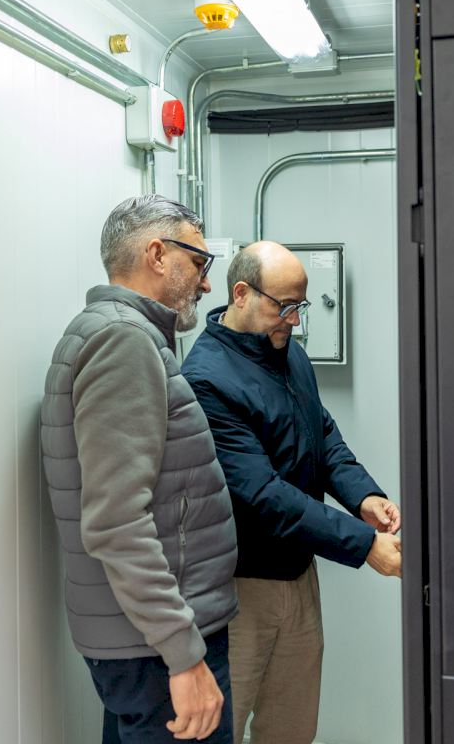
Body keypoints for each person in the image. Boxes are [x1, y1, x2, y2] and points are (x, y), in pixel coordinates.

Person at [181, 241, 403, 744]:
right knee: (222, 730)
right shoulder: (206, 380)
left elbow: (320, 432)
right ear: (241, 294)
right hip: (240, 590)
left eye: (299, 306)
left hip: (299, 576)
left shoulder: (290, 354)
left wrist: (363, 497)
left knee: (292, 729)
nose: (295, 321)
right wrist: (364, 545)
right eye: (283, 306)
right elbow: (263, 494)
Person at [40, 194, 239, 743]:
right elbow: (117, 521)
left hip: (145, 639)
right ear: (156, 254)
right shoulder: (123, 341)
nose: (206, 283)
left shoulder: (119, 334)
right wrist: (183, 653)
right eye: (198, 263)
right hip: (157, 646)